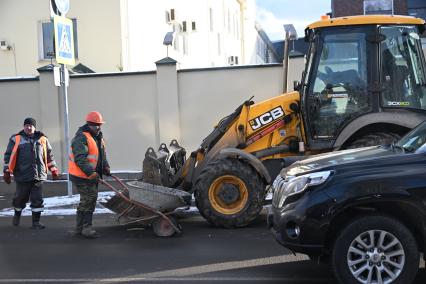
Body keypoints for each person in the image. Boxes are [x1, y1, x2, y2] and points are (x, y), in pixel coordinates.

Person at [3, 117, 59, 229]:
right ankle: (17, 215)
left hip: (38, 176)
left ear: (34, 127)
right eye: (26, 125)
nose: (28, 127)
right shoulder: (16, 139)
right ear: (23, 127)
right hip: (22, 175)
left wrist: (53, 170)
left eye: (31, 125)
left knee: (37, 199)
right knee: (20, 198)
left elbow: (48, 155)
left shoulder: (43, 139)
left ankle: (36, 222)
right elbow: (8, 156)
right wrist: (7, 171)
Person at [69, 111, 110, 239]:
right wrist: (90, 172)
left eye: (99, 125)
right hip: (82, 176)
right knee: (89, 199)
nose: (98, 127)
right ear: (89, 124)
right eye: (95, 125)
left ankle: (79, 228)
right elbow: (80, 158)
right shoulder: (81, 138)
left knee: (86, 200)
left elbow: (102, 155)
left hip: (91, 175)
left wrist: (105, 167)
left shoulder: (98, 136)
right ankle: (86, 228)